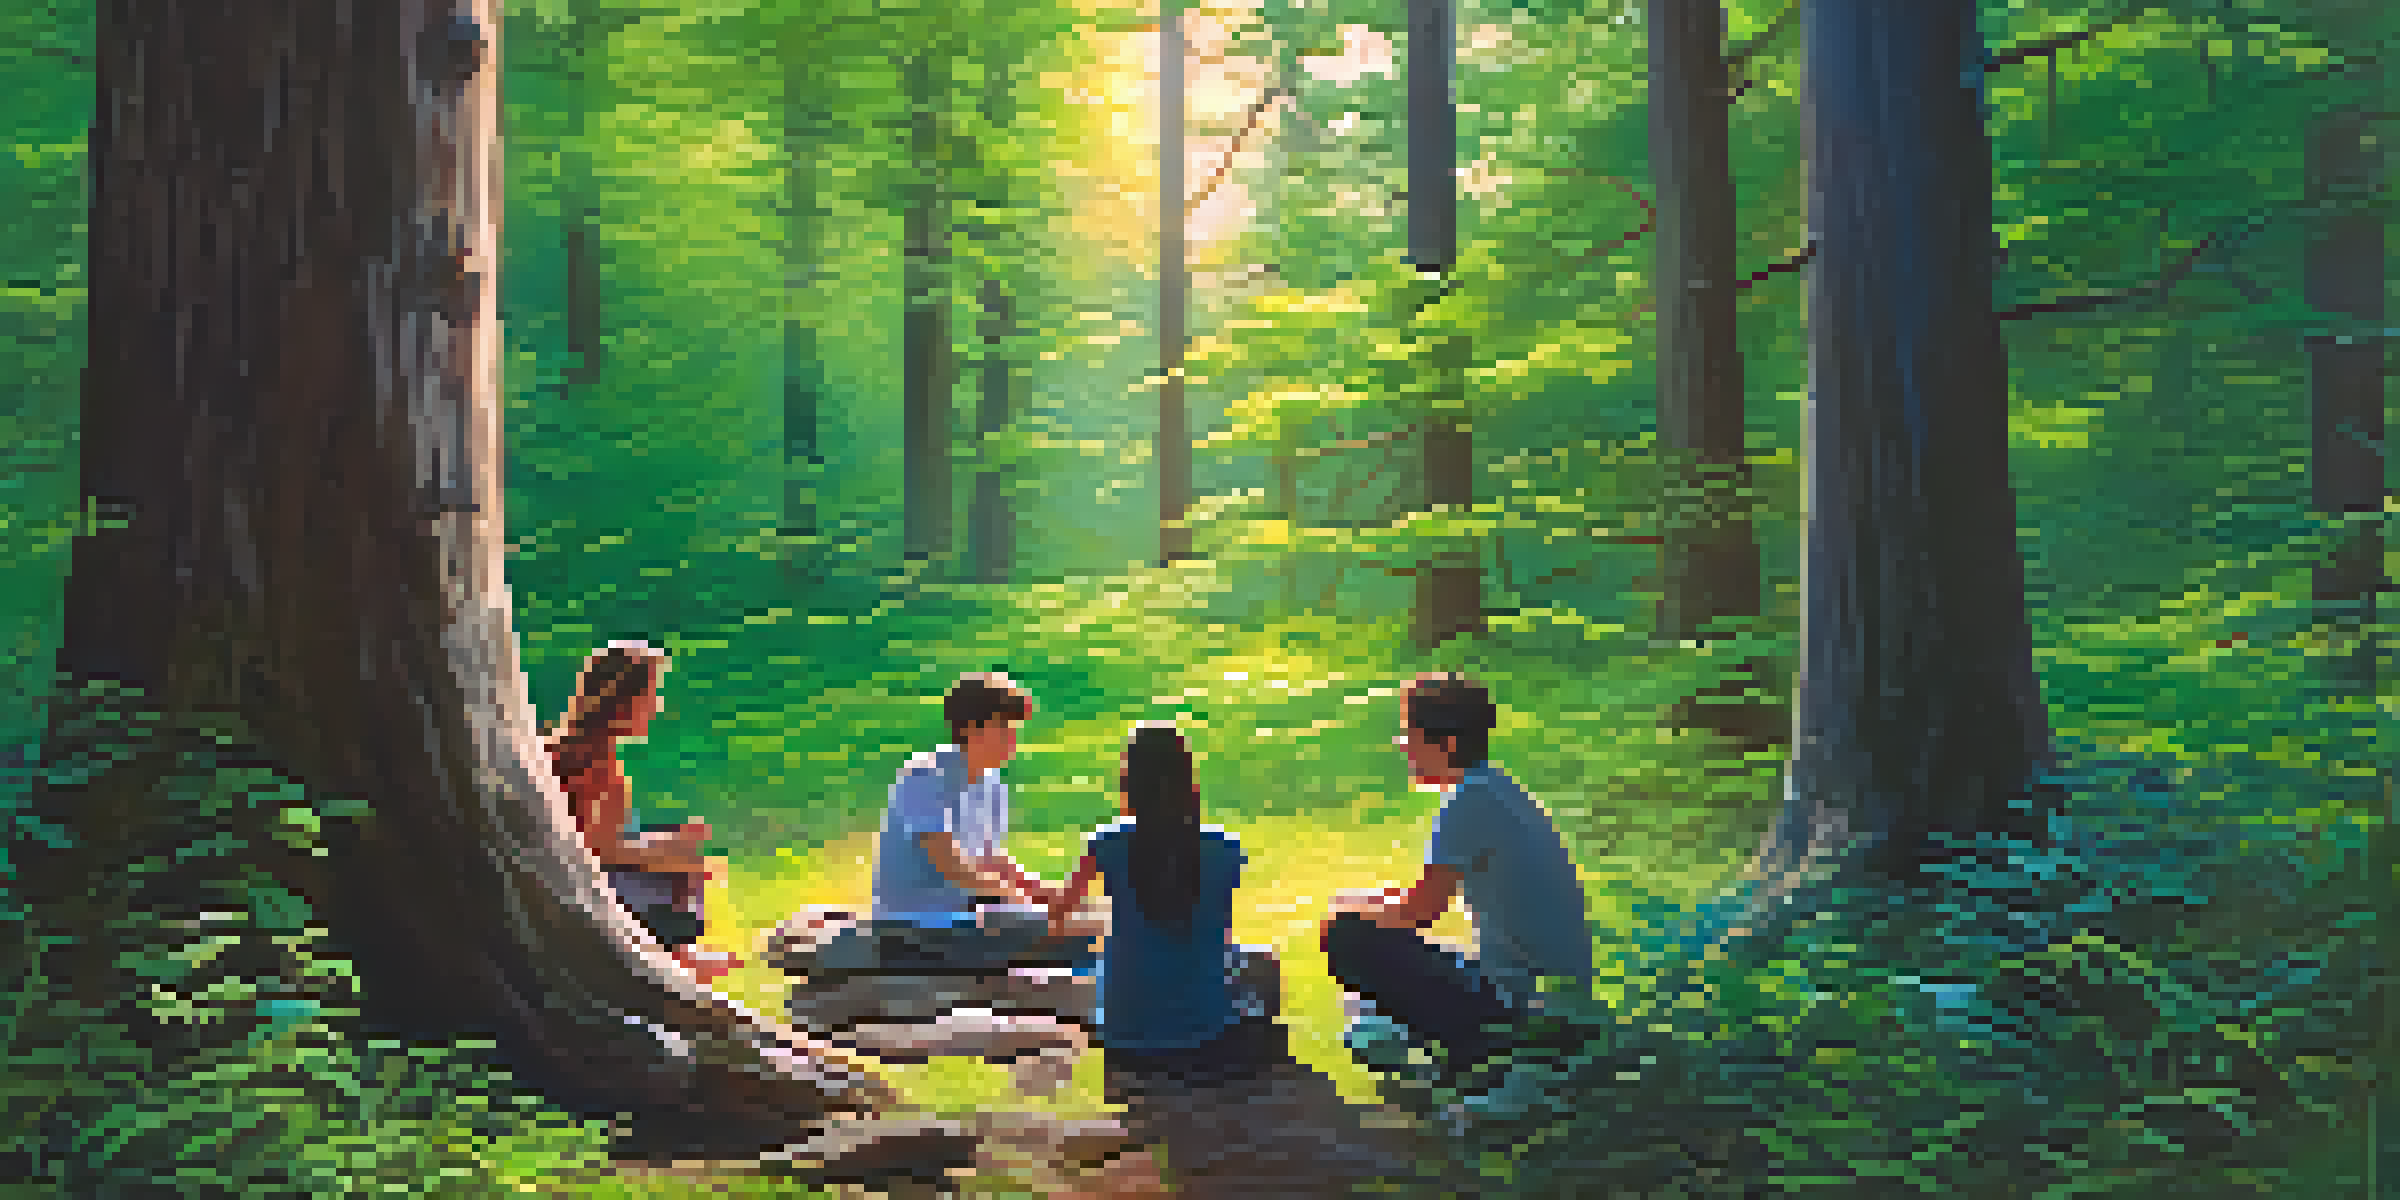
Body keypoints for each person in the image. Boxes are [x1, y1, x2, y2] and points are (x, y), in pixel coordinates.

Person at [1321, 672, 1591, 1070]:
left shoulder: (1466, 802)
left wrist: (1347, 912)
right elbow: (1422, 901)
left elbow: (1419, 914)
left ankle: (1469, 1056)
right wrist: (1367, 904)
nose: (1402, 748)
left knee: (1347, 936)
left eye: (1409, 737)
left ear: (1445, 744)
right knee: (1367, 923)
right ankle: (1388, 1033)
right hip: (1547, 992)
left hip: (1521, 1004)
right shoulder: (1496, 788)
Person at [1047, 722, 1281, 1090]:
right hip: (1204, 1037)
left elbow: (1058, 917)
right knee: (1263, 964)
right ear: (1190, 782)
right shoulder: (1225, 848)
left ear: (1129, 785)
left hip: (1123, 1039)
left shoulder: (1105, 843)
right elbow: (1218, 934)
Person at [829, 672, 1100, 974]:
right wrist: (1021, 901)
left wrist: (1048, 894)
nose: (1011, 740)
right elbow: (951, 865)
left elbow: (991, 860)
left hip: (963, 918)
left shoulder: (991, 782)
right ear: (970, 728)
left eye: (1013, 729)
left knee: (1089, 925)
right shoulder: (924, 777)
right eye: (1002, 728)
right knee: (1082, 938)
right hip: (915, 929)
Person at [546, 640, 742, 984]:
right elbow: (601, 851)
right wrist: (678, 859)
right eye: (650, 696)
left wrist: (668, 841)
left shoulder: (559, 749)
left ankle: (676, 954)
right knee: (685, 867)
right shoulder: (601, 770)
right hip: (583, 891)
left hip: (570, 877)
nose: (656, 706)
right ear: (622, 704)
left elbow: (600, 840)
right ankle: (673, 958)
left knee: (677, 849)